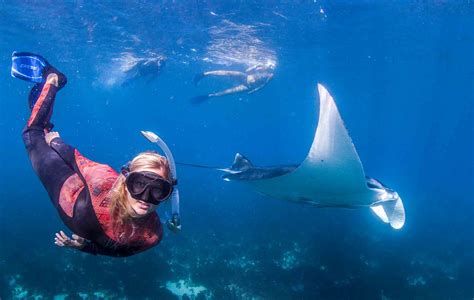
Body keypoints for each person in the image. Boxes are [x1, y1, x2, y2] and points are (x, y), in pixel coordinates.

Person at [14, 52, 176, 257]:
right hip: (67, 186)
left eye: (158, 190)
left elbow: (119, 252)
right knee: (32, 134)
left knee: (40, 133)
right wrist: (55, 141)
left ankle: (43, 116)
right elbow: (74, 158)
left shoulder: (152, 236)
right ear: (125, 179)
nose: (145, 197)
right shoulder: (103, 181)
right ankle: (53, 78)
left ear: (167, 194)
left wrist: (83, 247)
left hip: (79, 199)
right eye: (139, 184)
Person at [191, 61, 275, 104]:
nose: (271, 67)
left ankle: (209, 96)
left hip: (248, 87)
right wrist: (255, 66)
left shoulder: (270, 75)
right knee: (228, 72)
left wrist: (254, 90)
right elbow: (247, 70)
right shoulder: (261, 66)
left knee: (228, 92)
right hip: (245, 77)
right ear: (267, 64)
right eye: (270, 65)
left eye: (272, 66)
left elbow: (264, 85)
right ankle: (204, 74)